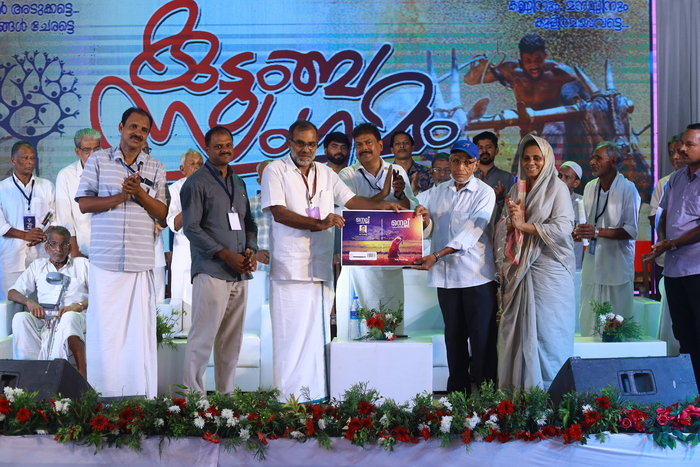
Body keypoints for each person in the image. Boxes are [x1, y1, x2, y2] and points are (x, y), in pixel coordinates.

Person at [261, 119, 412, 402]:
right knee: (289, 335)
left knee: (317, 336)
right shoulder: (275, 170)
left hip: (319, 266)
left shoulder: (325, 173)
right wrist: (319, 223)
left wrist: (385, 205)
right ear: (290, 143)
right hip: (290, 267)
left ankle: (315, 395)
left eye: (311, 144)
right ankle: (287, 396)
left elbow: (352, 202)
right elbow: (278, 212)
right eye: (300, 143)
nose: (306, 149)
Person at [75, 107, 167, 398]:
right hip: (105, 260)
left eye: (144, 130)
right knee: (105, 332)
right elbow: (84, 204)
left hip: (140, 261)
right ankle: (104, 394)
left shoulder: (155, 167)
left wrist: (139, 194)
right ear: (120, 127)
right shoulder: (98, 160)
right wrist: (122, 196)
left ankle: (139, 395)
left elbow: (162, 214)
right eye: (133, 126)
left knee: (138, 335)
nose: (138, 133)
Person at [412, 140, 498, 394]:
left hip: (477, 276)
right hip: (447, 279)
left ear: (476, 165)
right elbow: (426, 228)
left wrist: (437, 255)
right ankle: (457, 398)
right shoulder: (436, 192)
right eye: (456, 161)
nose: (461, 167)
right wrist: (423, 219)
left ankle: (487, 399)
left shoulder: (485, 193)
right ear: (449, 163)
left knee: (483, 341)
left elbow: (471, 232)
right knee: (454, 340)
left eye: (467, 162)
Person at [181, 126, 258, 395]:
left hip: (239, 272)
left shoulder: (239, 181)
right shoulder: (196, 182)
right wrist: (225, 254)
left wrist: (250, 250)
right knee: (202, 337)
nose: (225, 150)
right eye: (218, 146)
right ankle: (193, 398)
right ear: (207, 149)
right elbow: (191, 228)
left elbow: (249, 222)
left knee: (232, 340)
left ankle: (226, 397)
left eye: (228, 145)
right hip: (211, 269)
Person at [496, 135, 576, 389]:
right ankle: (518, 393)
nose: (531, 163)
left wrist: (523, 225)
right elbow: (503, 229)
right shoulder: (516, 189)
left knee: (549, 333)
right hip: (520, 270)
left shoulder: (557, 188)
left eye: (537, 158)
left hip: (549, 270)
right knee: (516, 332)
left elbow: (563, 228)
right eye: (526, 158)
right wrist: (511, 224)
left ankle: (552, 392)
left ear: (547, 160)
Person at [339, 123, 418, 320]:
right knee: (363, 313)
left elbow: (410, 209)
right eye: (359, 144)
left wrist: (399, 194)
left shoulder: (396, 170)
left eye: (368, 142)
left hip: (391, 254)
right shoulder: (347, 174)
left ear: (380, 145)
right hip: (359, 254)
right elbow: (349, 210)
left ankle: (392, 336)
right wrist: (383, 196)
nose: (364, 148)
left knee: (392, 310)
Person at [643, 123, 700, 384]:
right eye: (682, 144)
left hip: (696, 269)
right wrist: (663, 241)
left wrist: (673, 243)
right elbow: (663, 214)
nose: (682, 149)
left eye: (689, 144)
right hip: (674, 269)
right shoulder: (676, 178)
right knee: (683, 334)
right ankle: (691, 392)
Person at [574, 142, 640, 337]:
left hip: (616, 265)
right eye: (592, 157)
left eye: (598, 158)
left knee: (616, 326)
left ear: (613, 161)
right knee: (589, 322)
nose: (592, 162)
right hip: (593, 263)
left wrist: (596, 232)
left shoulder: (628, 189)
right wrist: (579, 232)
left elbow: (631, 231)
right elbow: (586, 223)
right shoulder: (590, 187)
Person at [9, 226, 88, 377]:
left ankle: (77, 374)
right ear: (47, 247)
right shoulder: (38, 266)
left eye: (63, 244)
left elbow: (101, 294)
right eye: (54, 244)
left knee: (69, 318)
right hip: (45, 317)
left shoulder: (82, 265)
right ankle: (28, 372)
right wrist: (29, 302)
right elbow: (12, 292)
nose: (58, 249)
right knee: (21, 318)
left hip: (77, 315)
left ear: (69, 248)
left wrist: (78, 306)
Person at [464, 33, 578, 136]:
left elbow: (584, 87)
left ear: (545, 55)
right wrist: (481, 67)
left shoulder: (559, 72)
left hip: (554, 130)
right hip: (527, 130)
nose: (533, 65)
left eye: (538, 59)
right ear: (521, 58)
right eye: (528, 60)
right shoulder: (511, 70)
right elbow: (470, 80)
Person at [0, 141, 54, 300]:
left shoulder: (46, 186)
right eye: (25, 158)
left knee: (42, 301)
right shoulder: (2, 189)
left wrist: (43, 235)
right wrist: (25, 235)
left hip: (42, 254)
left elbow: (54, 218)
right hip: (13, 257)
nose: (30, 162)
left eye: (32, 158)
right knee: (11, 303)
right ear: (13, 160)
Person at [166, 148, 204, 322]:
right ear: (182, 169)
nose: (197, 167)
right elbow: (174, 224)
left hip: (208, 255)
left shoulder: (213, 187)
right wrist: (191, 201)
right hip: (184, 254)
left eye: (200, 164)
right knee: (181, 308)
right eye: (192, 164)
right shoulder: (174, 189)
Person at [55, 129, 102, 258]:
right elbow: (65, 218)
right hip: (82, 248)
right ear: (77, 152)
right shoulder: (66, 175)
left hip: (109, 246)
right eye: (87, 150)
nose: (93, 154)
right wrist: (73, 251)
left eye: (96, 149)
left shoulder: (110, 172)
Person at [473, 131, 515, 215]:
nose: (484, 151)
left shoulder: (507, 177)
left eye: (489, 147)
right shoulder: (468, 176)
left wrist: (500, 200)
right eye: (480, 148)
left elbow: (512, 212)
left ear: (496, 150)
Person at [558, 160, 584, 270]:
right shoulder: (546, 201)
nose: (561, 180)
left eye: (567, 177)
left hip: (573, 265)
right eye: (560, 176)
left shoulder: (582, 203)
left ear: (576, 183)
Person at [249, 160, 272, 272]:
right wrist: (255, 254)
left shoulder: (292, 204)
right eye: (266, 176)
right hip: (258, 267)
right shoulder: (249, 204)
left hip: (286, 266)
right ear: (259, 181)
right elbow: (241, 235)